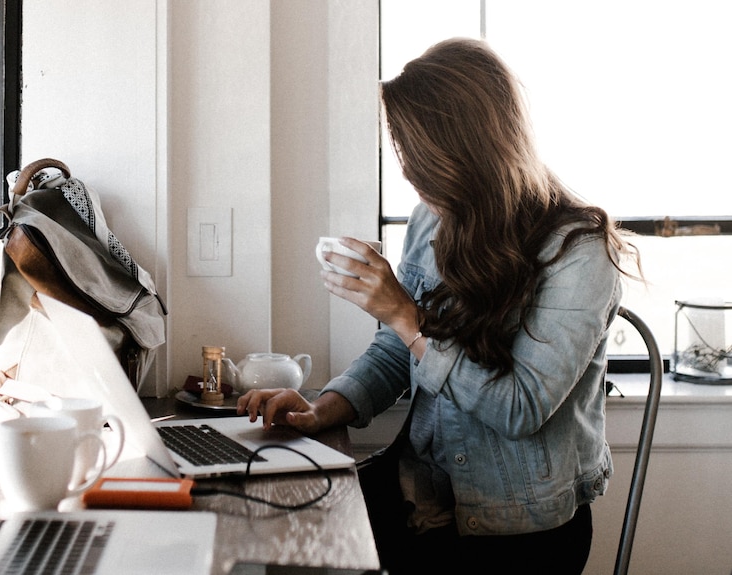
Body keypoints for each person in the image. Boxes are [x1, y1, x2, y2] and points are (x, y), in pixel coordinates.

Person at [237, 37, 641, 574]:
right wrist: (321, 410)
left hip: (517, 527)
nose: (408, 173)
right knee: (273, 532)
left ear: (468, 149)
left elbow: (518, 409)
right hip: (421, 491)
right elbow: (395, 353)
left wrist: (407, 314)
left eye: (416, 156)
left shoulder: (580, 252)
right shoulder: (433, 218)